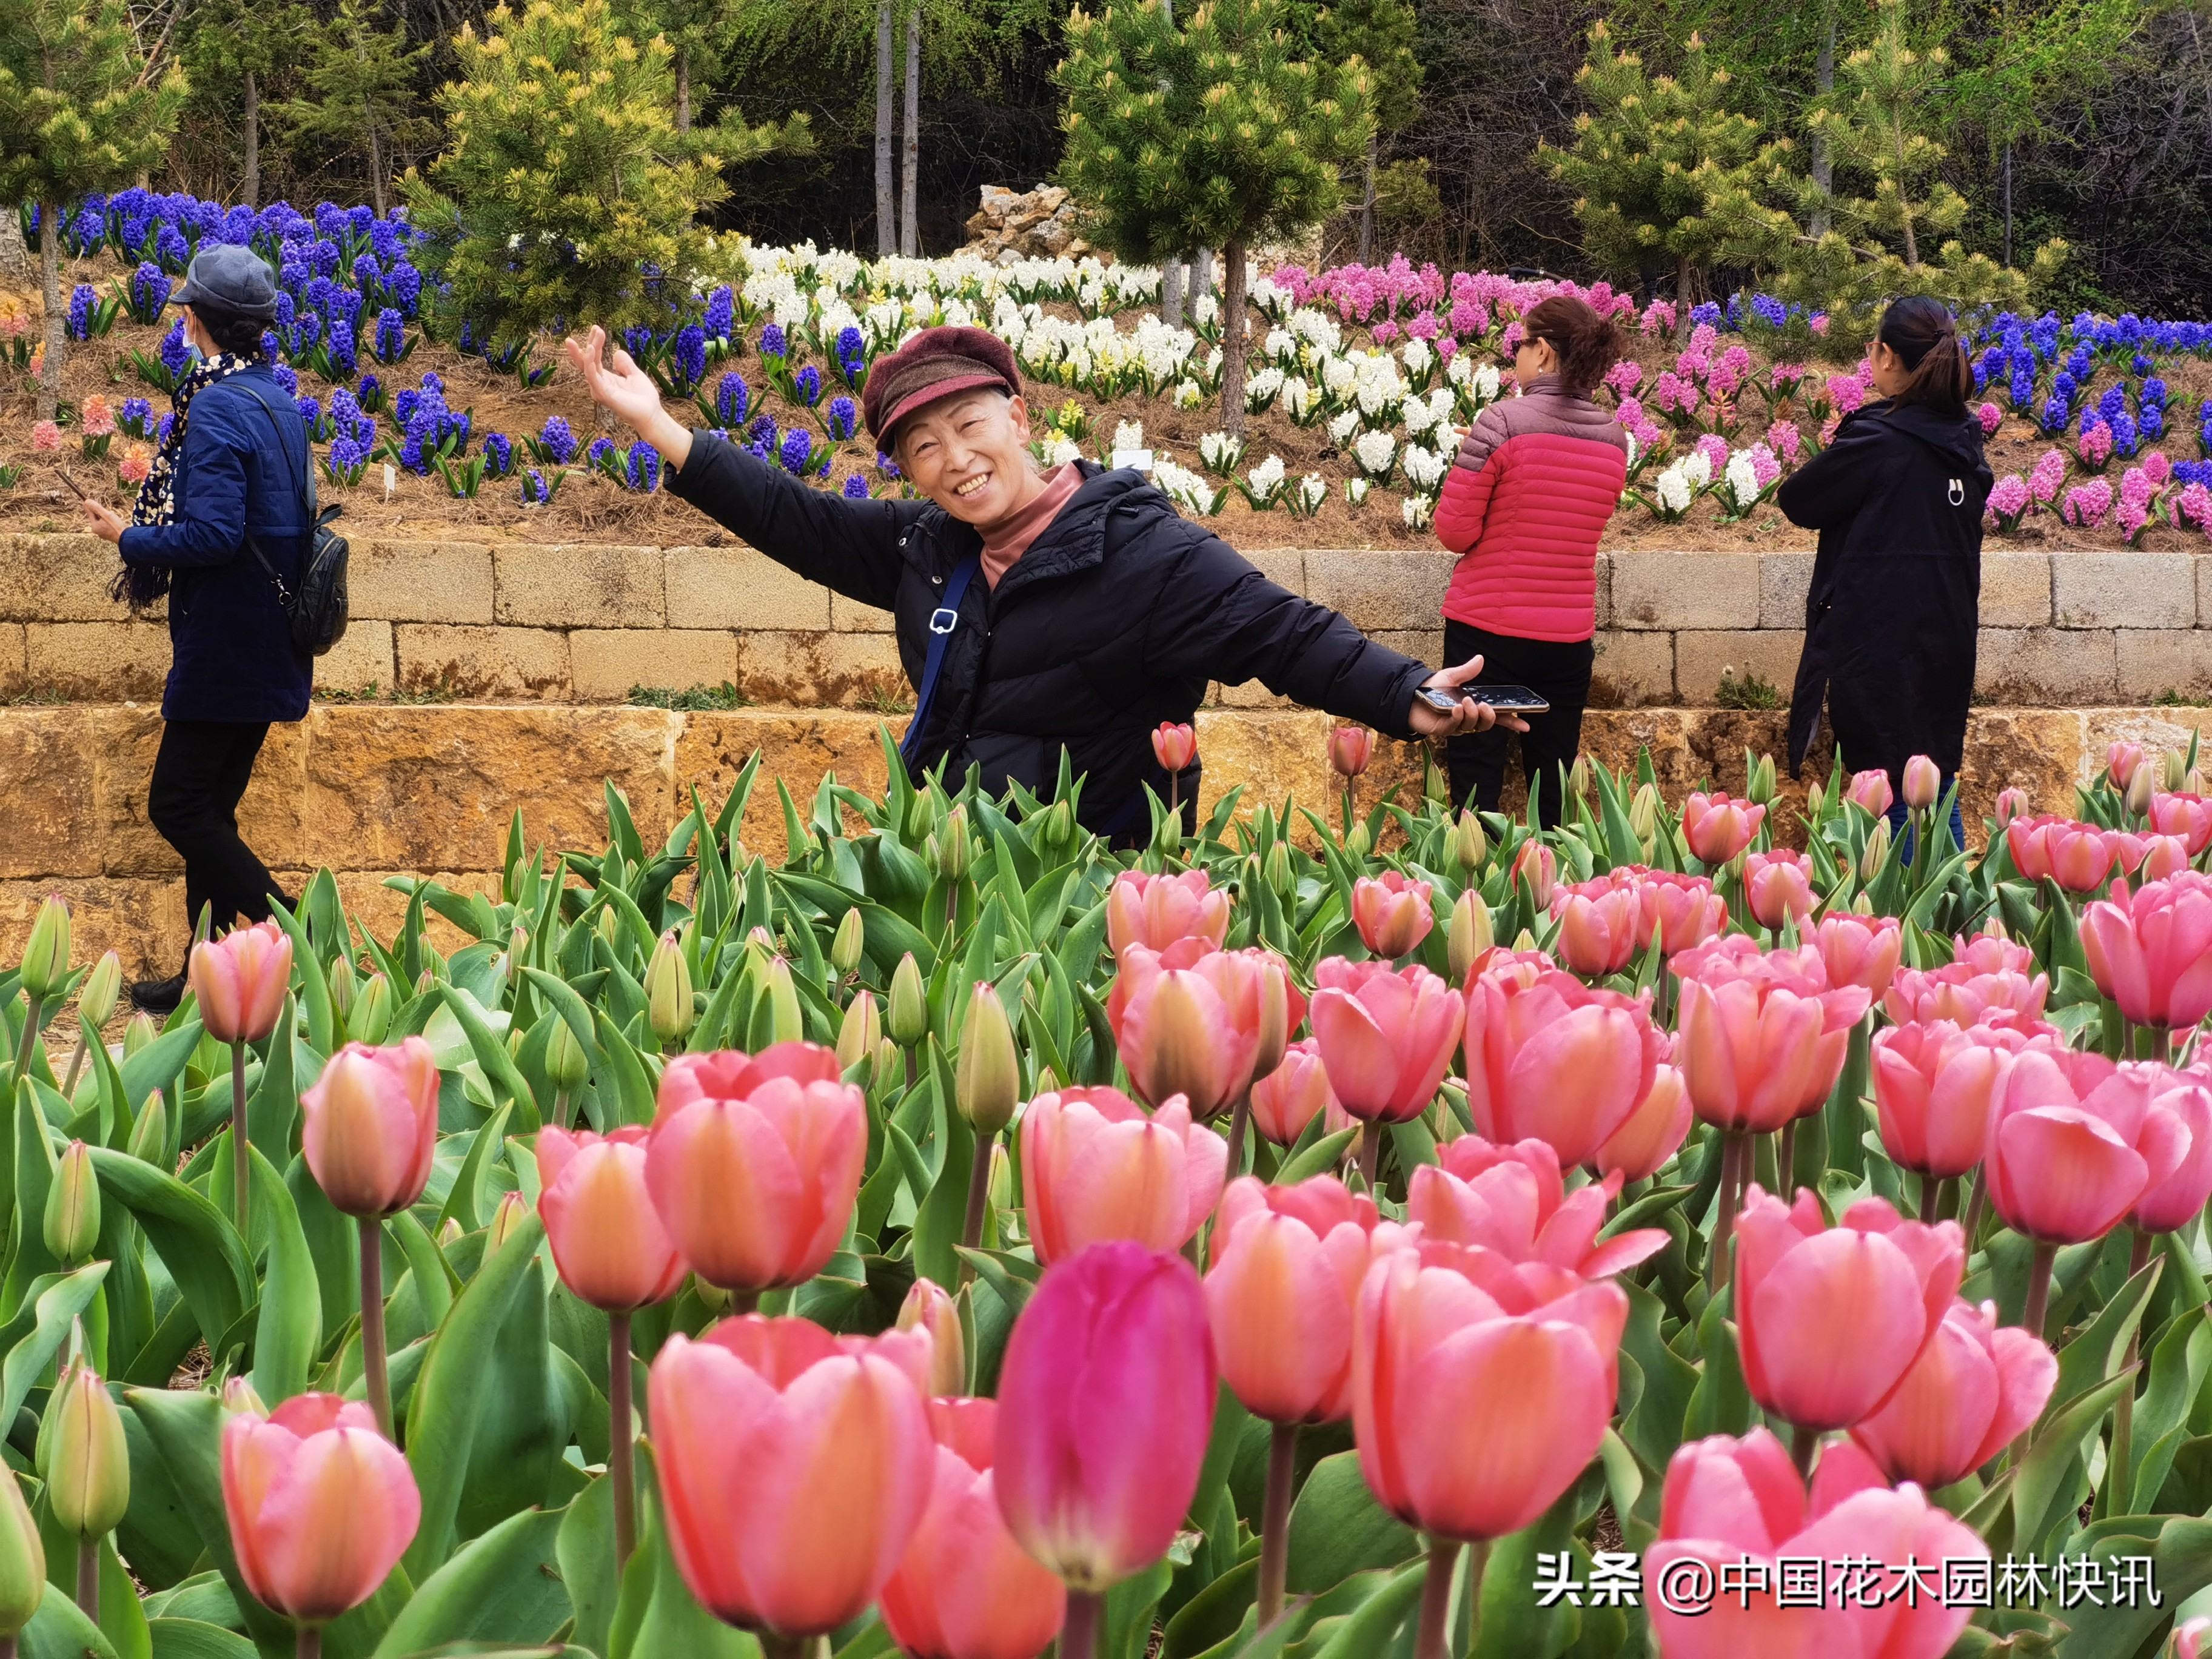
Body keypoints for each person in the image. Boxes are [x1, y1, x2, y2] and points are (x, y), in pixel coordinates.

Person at [563, 323, 1525, 839]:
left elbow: (1282, 634)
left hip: (1093, 885)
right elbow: (793, 519)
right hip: (958, 866)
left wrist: (1409, 697)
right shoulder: (928, 549)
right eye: (922, 448)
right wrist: (657, 425)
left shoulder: (1145, 553)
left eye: (969, 427)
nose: (954, 461)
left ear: (1018, 417)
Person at [80, 243, 312, 1013]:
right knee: (212, 814)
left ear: (198, 319)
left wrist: (128, 538)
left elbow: (214, 534)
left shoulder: (214, 406)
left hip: (227, 644)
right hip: (273, 637)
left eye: (185, 308)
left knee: (177, 808)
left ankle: (305, 935)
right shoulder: (276, 396)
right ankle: (202, 976)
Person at [1778, 296, 1989, 850]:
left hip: (1878, 645)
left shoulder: (1879, 441)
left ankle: (1909, 921)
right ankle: (1949, 914)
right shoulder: (1967, 444)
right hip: (1948, 642)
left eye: (1873, 350)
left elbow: (1798, 500)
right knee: (1934, 777)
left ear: (1889, 358)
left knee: (1892, 783)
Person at [1430, 295, 1629, 827]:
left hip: (1488, 632)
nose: (1514, 355)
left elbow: (1454, 531)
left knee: (1475, 785)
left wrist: (1470, 458)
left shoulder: (1501, 423)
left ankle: (1475, 901)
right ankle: (1554, 901)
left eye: (1519, 344)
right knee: (1553, 790)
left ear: (1542, 352)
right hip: (1567, 640)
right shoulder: (1614, 438)